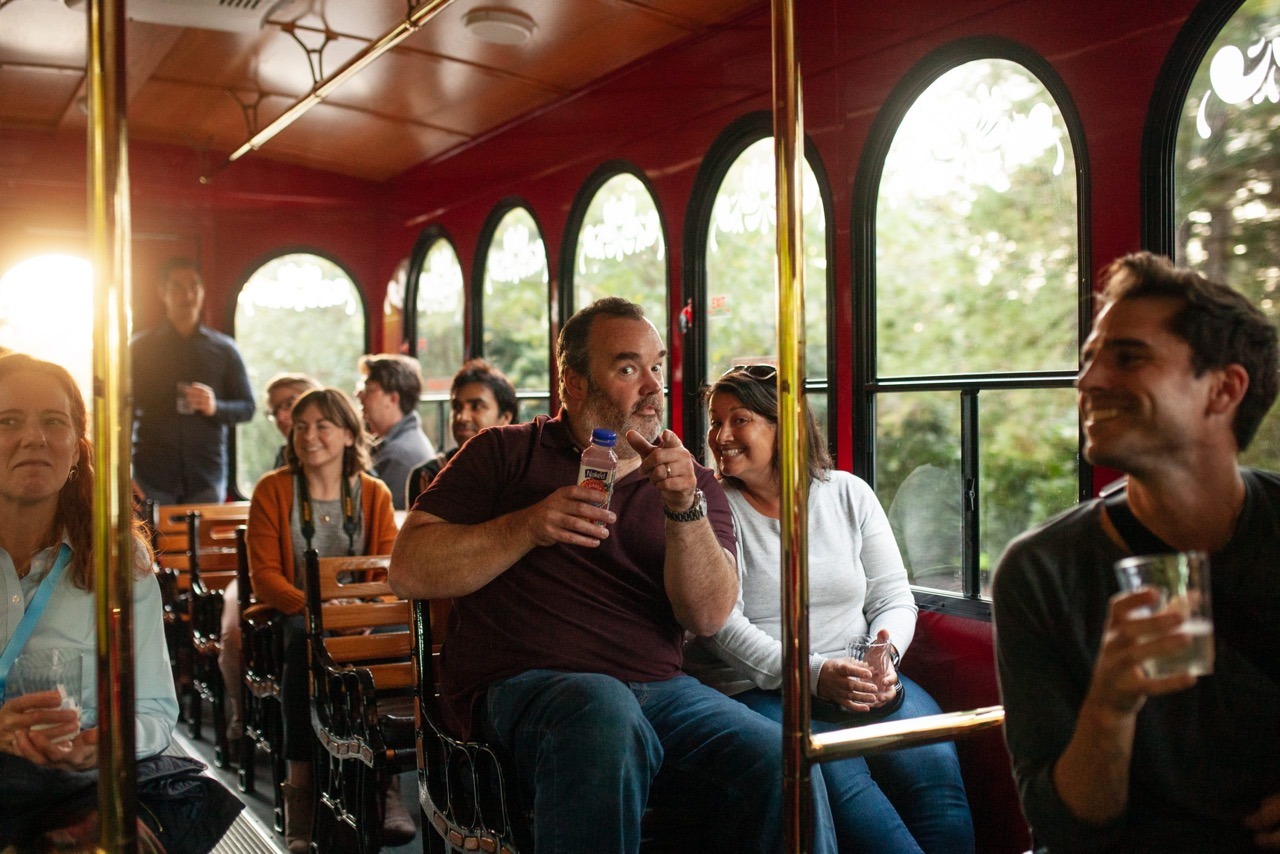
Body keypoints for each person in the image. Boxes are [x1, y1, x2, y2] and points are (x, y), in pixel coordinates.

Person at [390, 297, 838, 853]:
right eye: (628, 368)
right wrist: (529, 525)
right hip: (527, 688)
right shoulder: (503, 454)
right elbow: (408, 570)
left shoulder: (692, 481)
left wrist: (683, 506)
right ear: (572, 384)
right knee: (603, 715)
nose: (653, 385)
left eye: (656, 366)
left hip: (660, 690)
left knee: (783, 759)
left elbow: (707, 615)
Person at [992, 252, 1280, 852]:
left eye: (1128, 358)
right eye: (1090, 360)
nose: (1089, 381)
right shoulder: (1039, 572)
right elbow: (1063, 828)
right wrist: (1111, 704)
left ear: (1224, 389)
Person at [688, 365, 974, 854]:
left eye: (740, 420)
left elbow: (891, 595)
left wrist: (883, 656)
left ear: (788, 425)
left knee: (940, 797)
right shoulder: (711, 506)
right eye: (716, 422)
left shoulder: (847, 493)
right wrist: (815, 673)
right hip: (762, 687)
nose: (721, 436)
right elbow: (720, 627)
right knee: (860, 805)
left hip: (865, 677)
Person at [246, 387, 404, 853]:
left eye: (322, 426)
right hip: (297, 616)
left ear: (349, 434)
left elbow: (383, 568)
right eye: (300, 427)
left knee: (398, 639)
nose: (309, 436)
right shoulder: (273, 490)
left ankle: (388, 787)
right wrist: (318, 610)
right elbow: (266, 579)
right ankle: (300, 793)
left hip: (359, 618)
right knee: (302, 641)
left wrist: (361, 615)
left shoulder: (373, 493)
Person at [218, 372, 320, 745]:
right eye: (275, 409)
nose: (282, 415)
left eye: (290, 403)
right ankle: (241, 712)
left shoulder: (352, 476)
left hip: (314, 585)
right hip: (268, 572)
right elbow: (264, 562)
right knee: (232, 631)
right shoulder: (277, 477)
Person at [131, 258, 255, 504]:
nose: (187, 294)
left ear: (202, 291)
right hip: (152, 476)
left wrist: (215, 407)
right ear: (162, 292)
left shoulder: (224, 349)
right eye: (177, 287)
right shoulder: (139, 348)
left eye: (193, 286)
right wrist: (123, 474)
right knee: (152, 543)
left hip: (206, 475)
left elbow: (247, 408)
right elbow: (121, 412)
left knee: (204, 543)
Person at [407, 358, 517, 505]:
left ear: (505, 417)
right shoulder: (430, 475)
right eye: (457, 407)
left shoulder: (520, 472)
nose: (461, 417)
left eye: (476, 406)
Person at [356, 354, 435, 511]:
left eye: (368, 389)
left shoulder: (398, 455)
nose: (358, 395)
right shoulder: (403, 440)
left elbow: (371, 516)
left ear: (392, 398)